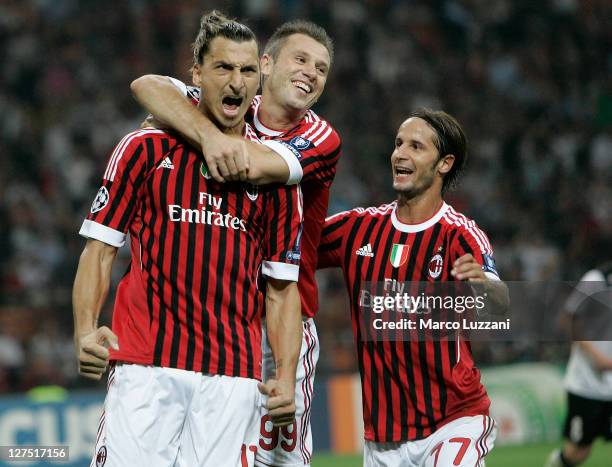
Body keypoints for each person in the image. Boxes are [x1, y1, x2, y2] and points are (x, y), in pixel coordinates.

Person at [72, 11, 303, 467]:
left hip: (234, 378)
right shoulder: (145, 148)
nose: (236, 81)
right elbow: (99, 251)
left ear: (260, 78)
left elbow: (281, 289)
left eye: (247, 70)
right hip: (146, 366)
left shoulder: (276, 177)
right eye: (223, 68)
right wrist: (84, 329)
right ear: (197, 74)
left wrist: (286, 375)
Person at [130, 20, 340, 466]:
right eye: (301, 59)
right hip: (221, 323)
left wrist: (187, 125)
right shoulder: (232, 104)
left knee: (278, 459)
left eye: (321, 68)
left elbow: (253, 165)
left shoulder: (319, 138)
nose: (311, 73)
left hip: (282, 321)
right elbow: (146, 85)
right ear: (265, 65)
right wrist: (205, 131)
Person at [317, 109, 509, 466]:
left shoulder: (460, 234)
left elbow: (500, 306)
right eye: (398, 143)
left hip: (453, 421)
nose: (400, 153)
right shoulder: (358, 228)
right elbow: (287, 247)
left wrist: (483, 286)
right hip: (384, 438)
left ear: (444, 163)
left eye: (416, 146)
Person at [545, 261, 612, 467]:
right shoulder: (596, 279)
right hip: (587, 384)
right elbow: (569, 319)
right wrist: (596, 356)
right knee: (578, 452)